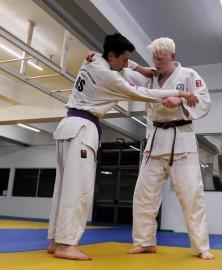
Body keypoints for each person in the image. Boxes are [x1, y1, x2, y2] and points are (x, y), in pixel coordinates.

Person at [47, 33, 197, 261]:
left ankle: (55, 241)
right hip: (82, 131)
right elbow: (143, 93)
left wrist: (139, 68)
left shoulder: (92, 61)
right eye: (124, 60)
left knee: (62, 187)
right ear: (111, 56)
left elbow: (106, 57)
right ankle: (67, 244)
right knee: (78, 190)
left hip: (66, 128)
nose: (126, 65)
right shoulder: (108, 76)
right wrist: (180, 92)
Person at [125, 37, 214, 260]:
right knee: (144, 195)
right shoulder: (150, 78)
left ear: (173, 57)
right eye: (154, 58)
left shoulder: (189, 75)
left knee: (192, 195)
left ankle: (202, 247)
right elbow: (123, 71)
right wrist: (98, 58)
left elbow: (205, 102)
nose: (157, 63)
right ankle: (145, 242)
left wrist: (181, 102)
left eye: (162, 59)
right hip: (155, 140)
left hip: (181, 140)